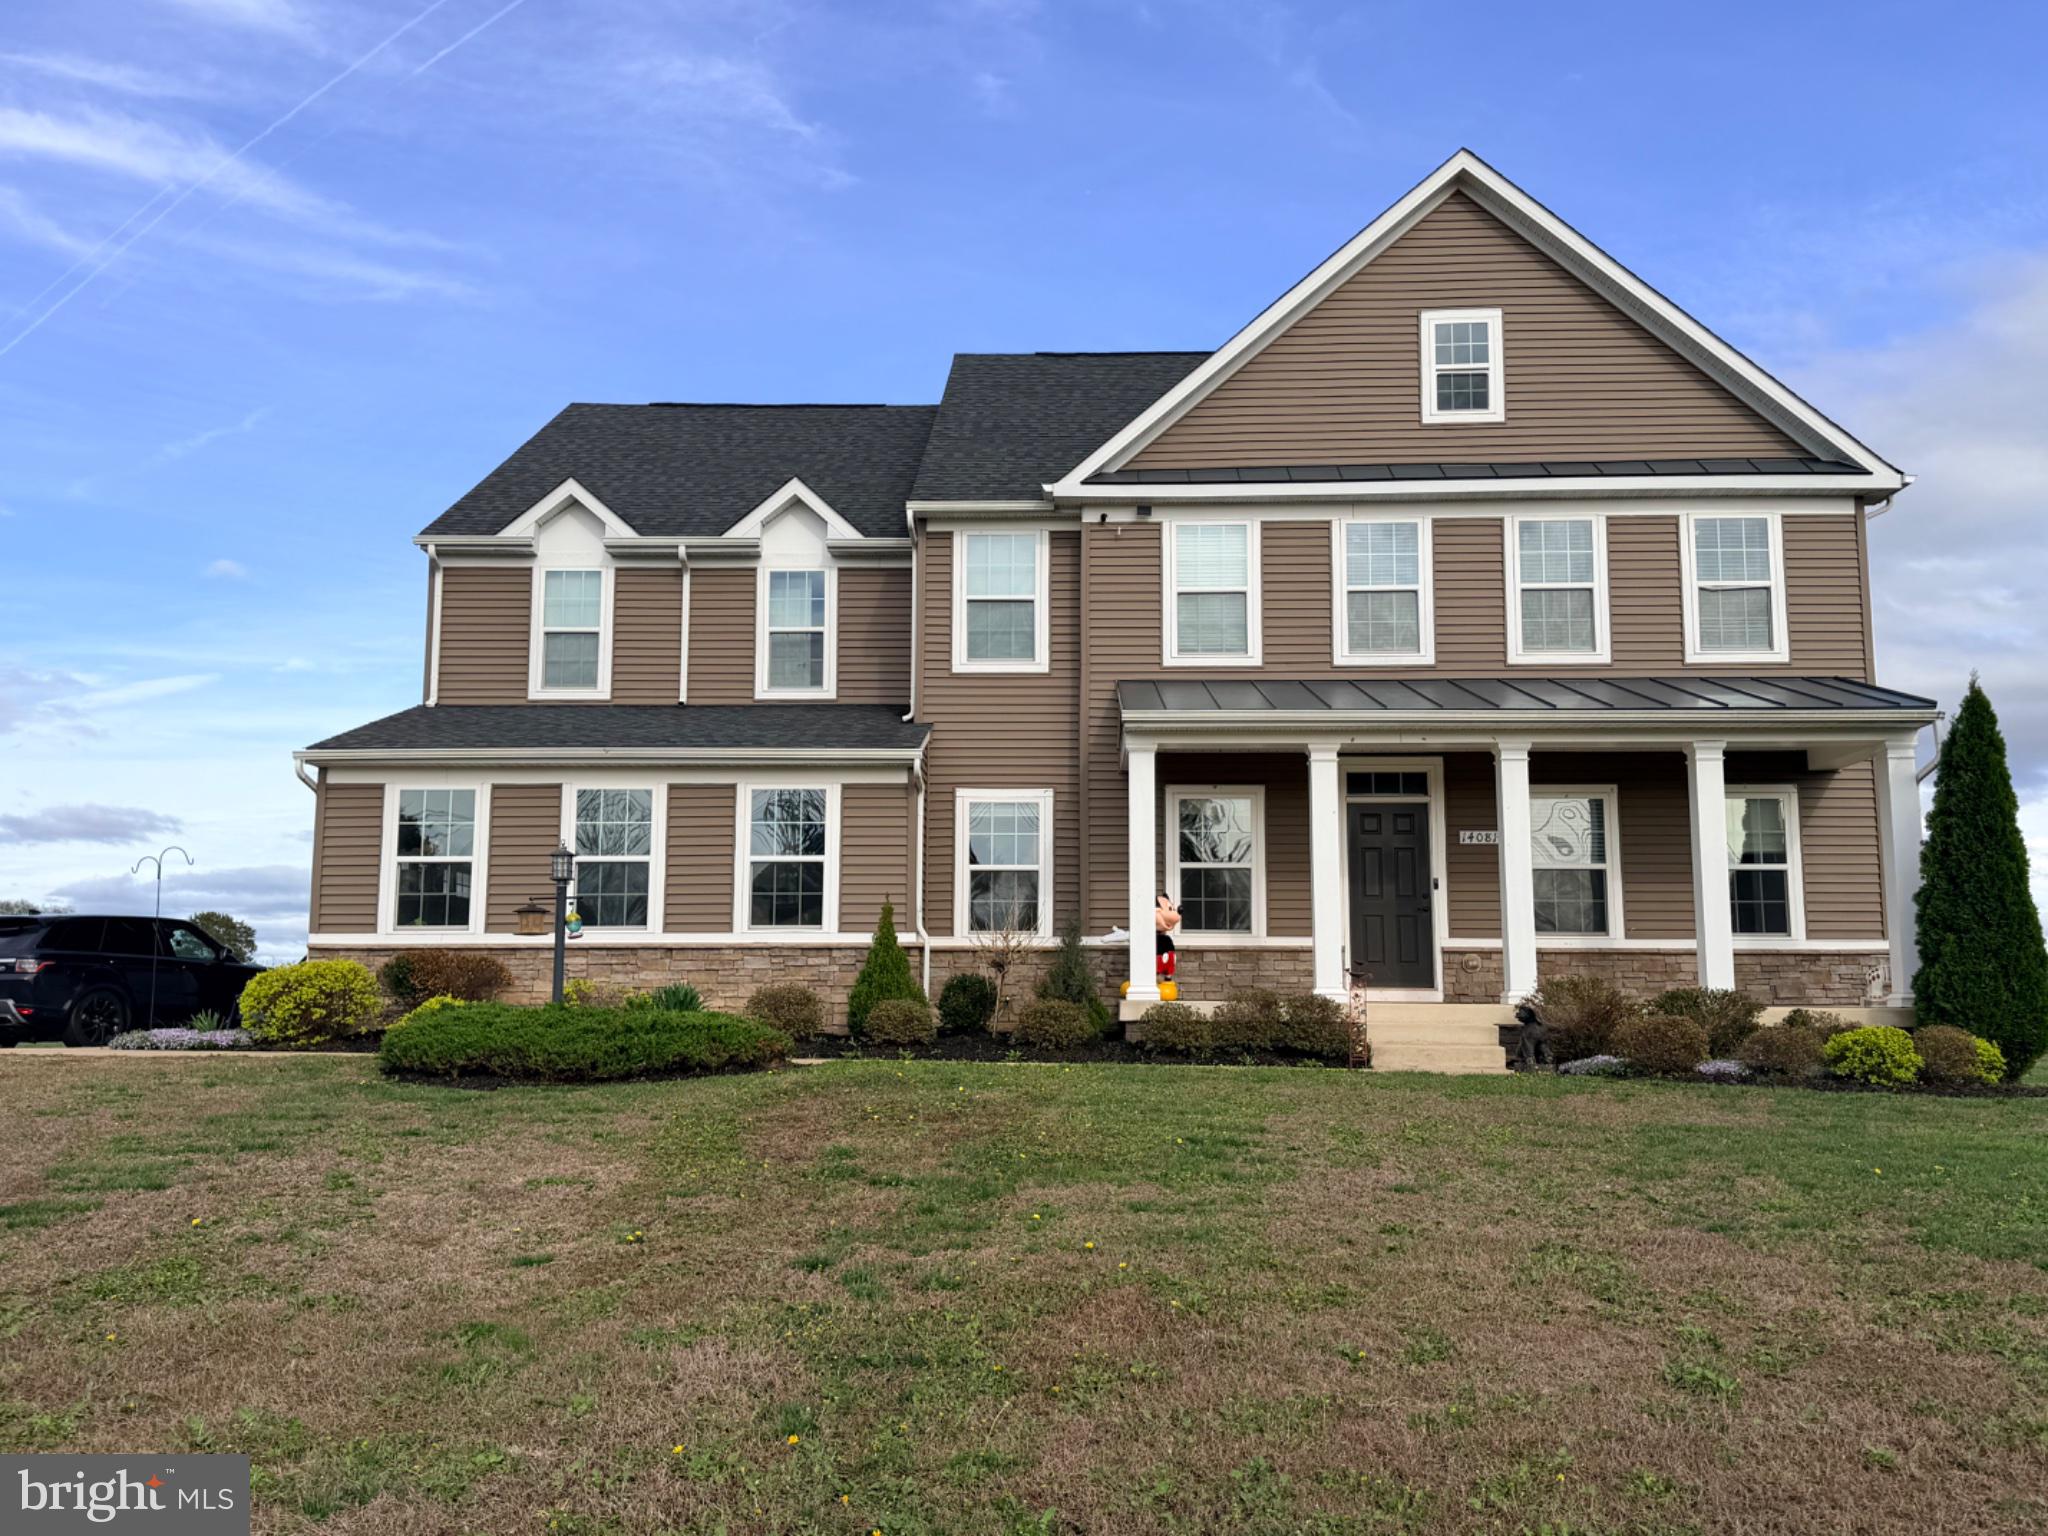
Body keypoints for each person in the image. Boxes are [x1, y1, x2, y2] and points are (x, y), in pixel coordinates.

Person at [1155, 892, 1180, 983]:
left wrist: (1172, 954)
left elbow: (1171, 948)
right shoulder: (1150, 939)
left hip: (1165, 957)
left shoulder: (1166, 939)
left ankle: (1167, 977)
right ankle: (1157, 976)